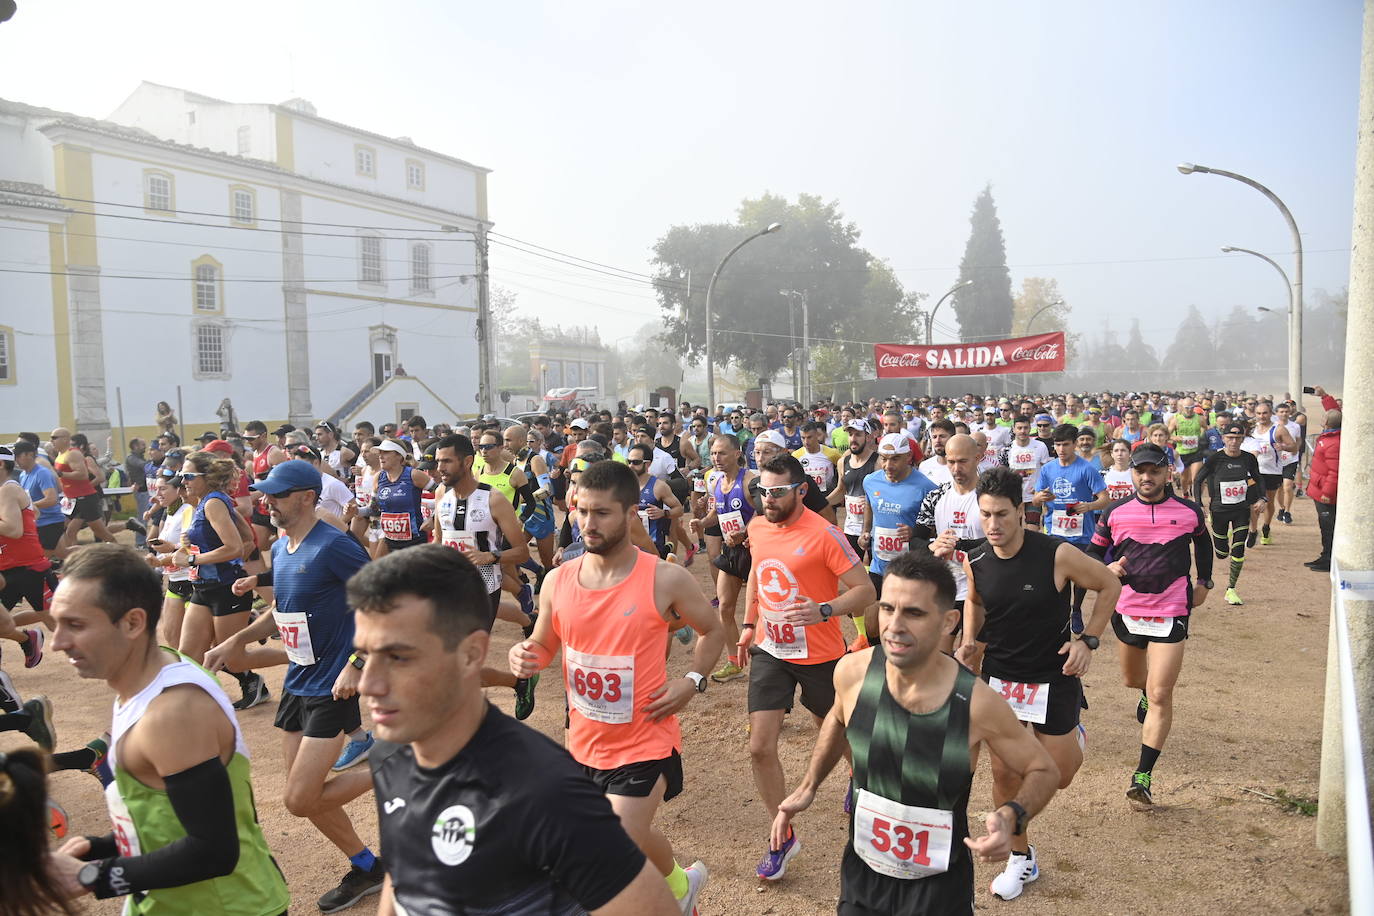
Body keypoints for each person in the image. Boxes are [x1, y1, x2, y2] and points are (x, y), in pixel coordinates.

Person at [348, 547, 680, 915]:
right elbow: (403, 868)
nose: (369, 684)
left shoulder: (544, 790)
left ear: (472, 654)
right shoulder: (388, 755)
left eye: (398, 657)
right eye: (365, 656)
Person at [772, 552, 1060, 915]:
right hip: (863, 877)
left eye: (914, 613)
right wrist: (809, 784)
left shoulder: (976, 703)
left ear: (948, 622)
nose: (894, 625)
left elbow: (1044, 769)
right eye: (889, 608)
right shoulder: (853, 672)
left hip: (939, 889)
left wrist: (1012, 815)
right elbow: (838, 718)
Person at [510, 459, 722, 912]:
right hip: (583, 743)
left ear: (630, 515)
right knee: (634, 832)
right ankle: (681, 888)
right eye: (582, 511)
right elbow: (544, 643)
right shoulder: (557, 579)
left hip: (646, 742)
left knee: (606, 851)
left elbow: (712, 630)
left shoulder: (665, 579)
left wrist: (692, 681)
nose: (588, 522)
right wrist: (526, 653)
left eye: (602, 512)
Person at [45, 544, 290, 915]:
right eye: (57, 623)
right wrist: (94, 848)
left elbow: (214, 850)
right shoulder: (148, 679)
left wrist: (91, 877)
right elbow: (172, 816)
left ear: (132, 623)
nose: (56, 642)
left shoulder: (172, 713)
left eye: (75, 625)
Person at [201, 461, 381, 913]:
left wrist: (357, 663)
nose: (267, 502)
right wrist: (236, 639)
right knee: (309, 795)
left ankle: (397, 764)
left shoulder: (336, 546)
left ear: (306, 497)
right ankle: (366, 866)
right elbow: (283, 608)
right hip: (298, 681)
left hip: (333, 685)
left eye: (276, 495)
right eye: (266, 494)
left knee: (299, 799)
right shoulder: (282, 547)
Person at [957, 467, 1121, 902]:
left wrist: (1088, 640)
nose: (993, 525)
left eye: (1003, 515)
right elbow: (974, 599)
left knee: (1059, 776)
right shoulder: (974, 558)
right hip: (1001, 678)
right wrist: (971, 641)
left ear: (1022, 510)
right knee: (1005, 773)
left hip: (1053, 675)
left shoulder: (1057, 554)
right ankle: (1020, 858)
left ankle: (1075, 737)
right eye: (986, 514)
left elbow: (1109, 583)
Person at [737, 454, 876, 881]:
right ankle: (782, 834)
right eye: (762, 491)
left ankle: (859, 778)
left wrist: (825, 609)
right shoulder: (758, 526)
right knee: (760, 747)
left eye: (777, 492)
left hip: (818, 654)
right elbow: (758, 576)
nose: (768, 499)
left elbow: (865, 590)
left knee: (832, 729)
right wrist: (747, 624)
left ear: (800, 490)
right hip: (770, 649)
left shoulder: (825, 535)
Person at [1089, 444, 1213, 808]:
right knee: (1133, 680)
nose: (1147, 477)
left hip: (1172, 608)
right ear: (1133, 474)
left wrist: (1204, 581)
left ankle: (1142, 776)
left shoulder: (1190, 511)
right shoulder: (1114, 512)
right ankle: (1146, 689)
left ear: (1167, 473)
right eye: (1141, 471)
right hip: (1127, 608)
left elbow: (1203, 547)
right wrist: (1104, 570)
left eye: (1154, 471)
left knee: (1161, 694)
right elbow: (1095, 553)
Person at [430, 434, 538, 719]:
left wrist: (491, 556)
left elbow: (522, 552)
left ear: (467, 462)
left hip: (482, 590)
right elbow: (439, 542)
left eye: (446, 461)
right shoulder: (441, 496)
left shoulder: (494, 498)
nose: (439, 467)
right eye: (438, 461)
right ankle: (519, 681)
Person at [169, 451, 267, 710]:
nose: (183, 480)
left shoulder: (213, 503)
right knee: (188, 655)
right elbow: (246, 536)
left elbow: (235, 546)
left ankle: (297, 658)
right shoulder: (209, 501)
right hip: (203, 587)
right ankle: (193, 705)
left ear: (206, 477)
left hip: (226, 589)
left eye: (188, 476)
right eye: (182, 476)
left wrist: (193, 561)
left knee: (233, 660)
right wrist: (193, 545)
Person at [1031, 424, 1109, 634]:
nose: (1061, 449)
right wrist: (1040, 497)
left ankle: (1076, 609)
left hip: (1081, 531)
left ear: (1074, 444)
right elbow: (1036, 501)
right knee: (1059, 574)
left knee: (1080, 576)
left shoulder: (1087, 469)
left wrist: (1089, 506)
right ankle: (1063, 611)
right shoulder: (1048, 469)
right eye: (1057, 445)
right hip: (1055, 529)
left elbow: (1105, 498)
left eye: (1066, 444)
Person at [858, 434, 936, 640]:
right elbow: (870, 506)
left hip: (910, 569)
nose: (887, 464)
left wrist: (916, 534)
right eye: (883, 458)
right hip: (879, 565)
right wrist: (865, 532)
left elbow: (936, 529)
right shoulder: (871, 481)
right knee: (872, 623)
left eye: (894, 459)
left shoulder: (927, 487)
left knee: (905, 625)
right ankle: (877, 660)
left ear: (909, 456)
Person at [914, 434, 983, 657]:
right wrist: (931, 548)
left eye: (963, 461)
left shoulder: (990, 495)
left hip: (984, 592)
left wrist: (960, 545)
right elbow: (915, 541)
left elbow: (1005, 542)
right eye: (951, 461)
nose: (956, 468)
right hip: (948, 589)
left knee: (972, 662)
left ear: (978, 458)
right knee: (940, 661)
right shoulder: (936, 496)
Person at [1192, 421, 1264, 605]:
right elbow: (1198, 480)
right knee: (1222, 553)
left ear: (1243, 439)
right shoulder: (1216, 459)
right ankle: (1223, 544)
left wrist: (1263, 498)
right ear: (1223, 439)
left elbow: (1258, 478)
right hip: (1219, 512)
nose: (1233, 442)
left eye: (1238, 438)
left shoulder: (1248, 458)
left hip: (1241, 511)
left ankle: (1231, 589)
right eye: (1230, 438)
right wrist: (1199, 504)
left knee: (1238, 550)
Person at [0, 446, 53, 667]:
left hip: (30, 569)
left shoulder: (8, 490)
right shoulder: (10, 490)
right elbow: (34, 513)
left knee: (61, 623)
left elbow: (13, 530)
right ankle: (28, 639)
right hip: (8, 569)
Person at [1240, 401, 1296, 546]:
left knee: (1268, 501)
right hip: (1254, 472)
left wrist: (1283, 446)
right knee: (1253, 502)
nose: (1261, 416)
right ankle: (1253, 531)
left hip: (1272, 472)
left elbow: (1293, 446)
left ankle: (1266, 526)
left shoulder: (1279, 429)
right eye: (1258, 413)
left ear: (1271, 414)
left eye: (1265, 413)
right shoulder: (1251, 429)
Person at [51, 428, 115, 550]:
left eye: (55, 437)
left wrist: (61, 474)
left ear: (65, 439)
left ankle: (123, 554)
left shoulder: (73, 454)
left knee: (101, 532)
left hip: (85, 498)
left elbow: (83, 475)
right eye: (51, 438)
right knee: (66, 530)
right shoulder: (60, 455)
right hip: (71, 500)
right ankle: (73, 559)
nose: (52, 440)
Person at [373, 439, 432, 553]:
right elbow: (373, 509)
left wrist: (433, 518)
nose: (380, 456)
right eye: (379, 453)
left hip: (415, 541)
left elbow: (443, 493)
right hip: (389, 540)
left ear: (399, 456)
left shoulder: (413, 475)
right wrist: (357, 511)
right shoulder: (378, 478)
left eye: (385, 452)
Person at [1305, 387, 1341, 572]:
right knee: (1324, 525)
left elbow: (1335, 472)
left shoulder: (1333, 442)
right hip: (1318, 488)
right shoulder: (1331, 435)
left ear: (1326, 422)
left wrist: (1327, 492)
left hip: (1326, 493)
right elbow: (1336, 413)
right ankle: (1324, 555)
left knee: (1328, 527)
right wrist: (1325, 397)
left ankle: (1328, 559)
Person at [13, 440, 65, 559]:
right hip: (38, 522)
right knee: (64, 553)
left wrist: (27, 506)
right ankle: (91, 556)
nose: (16, 460)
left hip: (50, 522)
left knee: (39, 559)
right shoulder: (23, 475)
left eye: (18, 456)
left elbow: (52, 499)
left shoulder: (42, 473)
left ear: (29, 455)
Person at [999, 415, 1050, 530]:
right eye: (1020, 428)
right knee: (1014, 530)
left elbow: (1046, 471)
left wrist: (1040, 488)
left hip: (1033, 496)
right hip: (1014, 496)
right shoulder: (1006, 450)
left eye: (1026, 428)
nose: (1023, 431)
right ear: (1013, 429)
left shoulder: (1040, 446)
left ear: (1030, 428)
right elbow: (1003, 475)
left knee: (1033, 529)